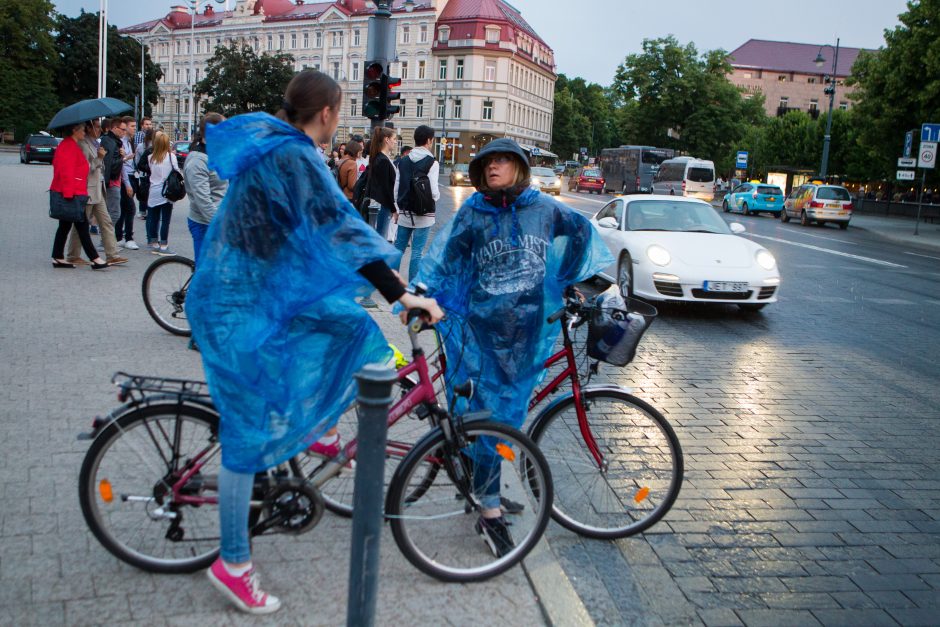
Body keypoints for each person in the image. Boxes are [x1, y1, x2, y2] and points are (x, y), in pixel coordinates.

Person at [185, 70, 442, 615]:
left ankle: (317, 428)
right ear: (326, 113)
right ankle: (232, 564)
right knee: (246, 440)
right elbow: (342, 229)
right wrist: (400, 296)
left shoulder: (275, 142)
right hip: (240, 305)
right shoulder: (296, 155)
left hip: (257, 291)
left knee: (350, 327)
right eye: (339, 111)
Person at [413, 138, 612, 556]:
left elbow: (580, 233)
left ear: (519, 167)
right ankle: (488, 510)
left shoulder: (545, 209)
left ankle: (482, 483)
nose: (492, 168)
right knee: (490, 420)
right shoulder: (474, 211)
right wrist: (423, 294)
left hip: (525, 334)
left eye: (502, 161)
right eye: (487, 162)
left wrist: (565, 279)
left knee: (507, 418)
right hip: (480, 334)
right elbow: (446, 259)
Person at [66, 120, 127, 265]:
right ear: (89, 128)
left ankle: (112, 254)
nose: (99, 130)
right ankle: (73, 255)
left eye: (100, 127)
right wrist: (100, 157)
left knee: (106, 222)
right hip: (88, 189)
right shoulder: (83, 144)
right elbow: (85, 168)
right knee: (81, 224)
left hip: (98, 189)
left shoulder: (95, 142)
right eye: (97, 127)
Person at [50, 122, 109, 270]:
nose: (85, 132)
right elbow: (66, 172)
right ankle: (95, 258)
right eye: (82, 129)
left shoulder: (71, 145)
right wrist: (69, 194)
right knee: (82, 226)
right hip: (72, 193)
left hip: (75, 191)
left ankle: (57, 256)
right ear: (74, 130)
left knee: (65, 226)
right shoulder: (68, 146)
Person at [394, 126, 439, 281]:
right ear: (428, 140)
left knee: (398, 248)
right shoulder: (432, 163)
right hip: (424, 213)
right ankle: (412, 285)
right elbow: (433, 191)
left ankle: (392, 284)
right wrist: (436, 197)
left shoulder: (403, 161)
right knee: (417, 251)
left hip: (405, 211)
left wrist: (396, 208)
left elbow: (397, 186)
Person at [183, 112, 227, 263]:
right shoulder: (198, 161)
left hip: (220, 219)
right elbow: (203, 202)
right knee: (205, 275)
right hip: (205, 224)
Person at [145, 131, 180, 255]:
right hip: (166, 191)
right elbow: (176, 171)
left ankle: (154, 242)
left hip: (153, 190)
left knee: (153, 218)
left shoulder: (150, 158)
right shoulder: (171, 157)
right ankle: (164, 245)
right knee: (165, 219)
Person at [366, 126, 398, 240]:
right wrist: (393, 209)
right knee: (381, 238)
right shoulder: (382, 160)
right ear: (386, 139)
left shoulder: (380, 158)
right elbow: (386, 188)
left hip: (382, 204)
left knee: (380, 238)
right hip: (383, 205)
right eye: (394, 139)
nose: (395, 141)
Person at [99, 118, 126, 247]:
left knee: (112, 212)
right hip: (112, 182)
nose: (124, 132)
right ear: (114, 128)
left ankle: (107, 241)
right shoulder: (110, 142)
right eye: (123, 129)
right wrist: (122, 157)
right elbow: (109, 164)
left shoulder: (114, 142)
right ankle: (106, 241)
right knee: (114, 213)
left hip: (114, 181)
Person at [115, 116, 138, 249]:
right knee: (130, 208)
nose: (134, 129)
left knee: (124, 209)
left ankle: (119, 236)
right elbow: (122, 165)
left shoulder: (129, 141)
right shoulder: (121, 143)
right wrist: (128, 184)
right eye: (132, 126)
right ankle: (128, 237)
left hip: (131, 176)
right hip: (125, 178)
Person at [134, 128, 155, 224]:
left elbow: (137, 161)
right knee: (150, 192)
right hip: (152, 173)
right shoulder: (154, 147)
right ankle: (149, 210)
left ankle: (142, 211)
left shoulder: (140, 146)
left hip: (143, 173)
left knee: (143, 191)